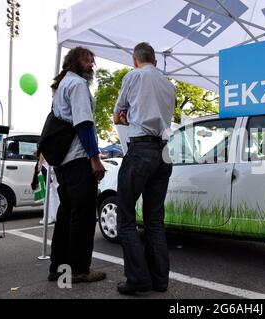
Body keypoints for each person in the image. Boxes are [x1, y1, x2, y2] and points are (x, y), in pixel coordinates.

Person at [113, 42, 175, 295]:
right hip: (164, 152)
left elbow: (118, 114)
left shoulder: (133, 76)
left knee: (126, 218)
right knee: (155, 220)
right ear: (155, 61)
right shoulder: (168, 84)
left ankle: (138, 280)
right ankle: (160, 280)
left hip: (140, 150)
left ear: (135, 59)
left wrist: (127, 116)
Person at [47, 46, 106, 284]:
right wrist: (95, 158)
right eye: (86, 60)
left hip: (63, 162)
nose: (91, 64)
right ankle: (80, 269)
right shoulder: (78, 85)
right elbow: (83, 124)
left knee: (66, 215)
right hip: (78, 159)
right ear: (74, 62)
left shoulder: (62, 85)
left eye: (93, 61)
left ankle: (58, 269)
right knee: (82, 217)